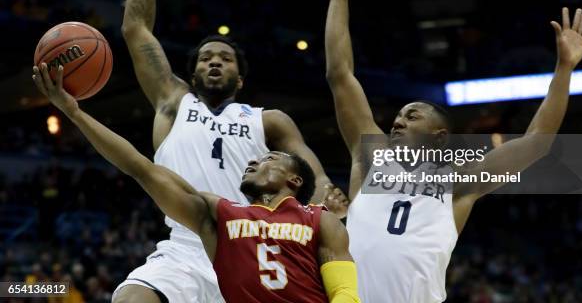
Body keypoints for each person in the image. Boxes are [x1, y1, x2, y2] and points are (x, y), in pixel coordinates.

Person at [319, 0, 582, 302]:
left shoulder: (460, 182)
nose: (397, 122)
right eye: (398, 116)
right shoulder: (369, 157)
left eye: (411, 116)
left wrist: (564, 68)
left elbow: (538, 141)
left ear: (438, 136)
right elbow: (341, 75)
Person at [118, 0, 347, 302]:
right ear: (192, 74)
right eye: (206, 57)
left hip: (251, 245)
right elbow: (135, 28)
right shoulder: (174, 102)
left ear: (240, 79)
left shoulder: (269, 120)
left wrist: (327, 194)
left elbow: (310, 171)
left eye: (224, 58)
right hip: (187, 246)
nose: (214, 61)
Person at [32, 64, 360, 303]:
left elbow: (344, 291)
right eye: (255, 159)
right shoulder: (222, 215)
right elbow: (140, 168)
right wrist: (75, 113)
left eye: (267, 159)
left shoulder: (320, 220)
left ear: (295, 179)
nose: (253, 161)